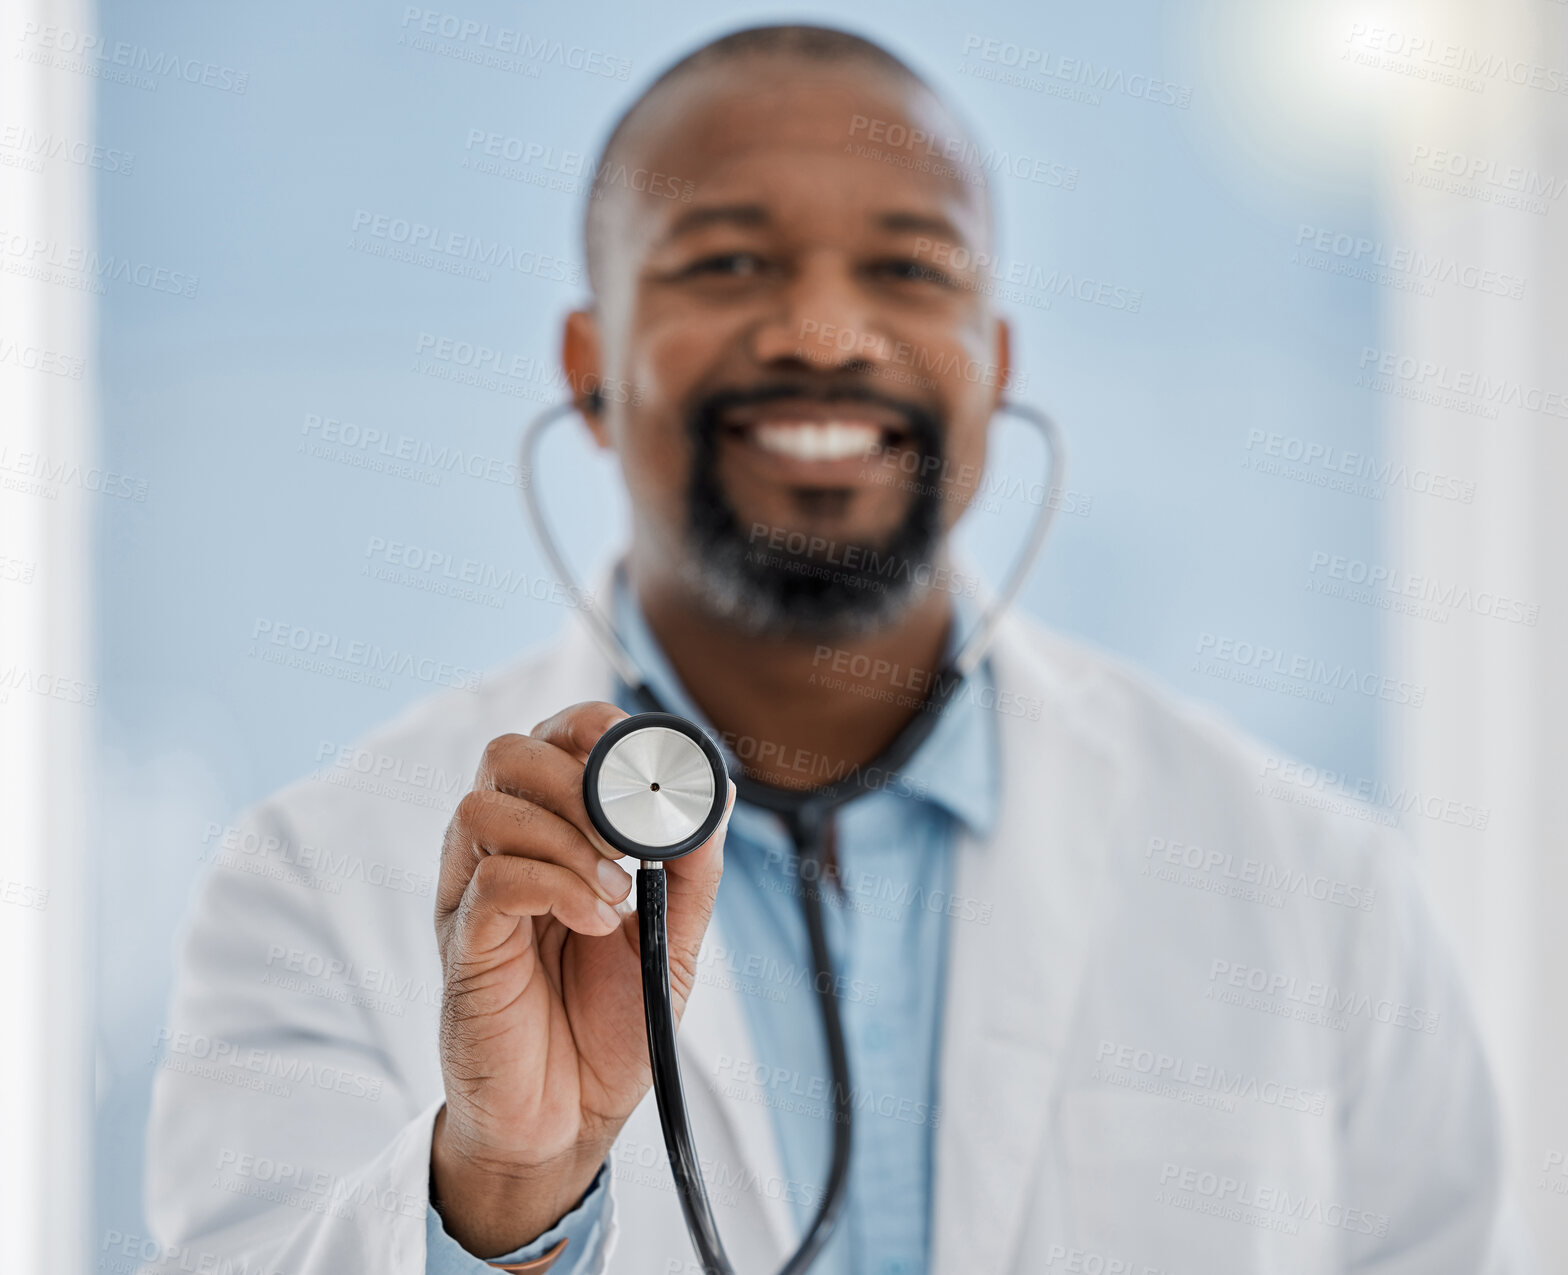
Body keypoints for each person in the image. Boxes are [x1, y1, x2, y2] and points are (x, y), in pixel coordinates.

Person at [141, 23, 1530, 1275]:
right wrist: (500, 1193)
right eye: (725, 260)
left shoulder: (1310, 886)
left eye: (909, 267)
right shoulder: (314, 887)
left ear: (993, 363)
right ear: (590, 369)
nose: (820, 328)